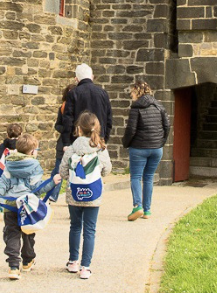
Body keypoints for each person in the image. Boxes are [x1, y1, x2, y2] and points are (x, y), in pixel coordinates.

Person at [0, 133, 62, 280]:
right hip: (28, 206)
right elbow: (38, 187)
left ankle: (13, 266)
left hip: (11, 205)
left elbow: (3, 182)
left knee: (12, 234)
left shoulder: (9, 163)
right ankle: (28, 260)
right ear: (32, 151)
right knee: (28, 233)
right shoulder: (34, 165)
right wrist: (53, 182)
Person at [58, 111, 112, 280]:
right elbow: (107, 169)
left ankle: (73, 261)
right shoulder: (100, 148)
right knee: (90, 230)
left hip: (74, 193)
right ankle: (85, 267)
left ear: (78, 129)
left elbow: (63, 171)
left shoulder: (72, 148)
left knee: (75, 226)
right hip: (93, 194)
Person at [122, 79, 170, 221]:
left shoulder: (136, 108)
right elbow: (167, 127)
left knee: (136, 177)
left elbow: (131, 130)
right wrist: (161, 142)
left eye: (132, 92)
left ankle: (137, 206)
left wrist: (125, 143)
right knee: (148, 178)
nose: (131, 95)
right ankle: (147, 211)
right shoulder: (159, 106)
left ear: (137, 91)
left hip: (139, 148)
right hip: (156, 149)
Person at [62, 63, 112, 142]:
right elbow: (108, 120)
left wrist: (66, 142)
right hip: (98, 139)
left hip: (78, 139)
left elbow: (68, 120)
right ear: (92, 77)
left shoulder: (73, 93)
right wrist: (105, 138)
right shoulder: (103, 93)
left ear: (76, 79)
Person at [50, 82, 77, 202]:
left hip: (75, 142)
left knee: (75, 172)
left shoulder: (78, 109)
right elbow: (58, 125)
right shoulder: (62, 108)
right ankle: (53, 194)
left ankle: (72, 197)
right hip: (63, 143)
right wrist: (66, 129)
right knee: (58, 170)